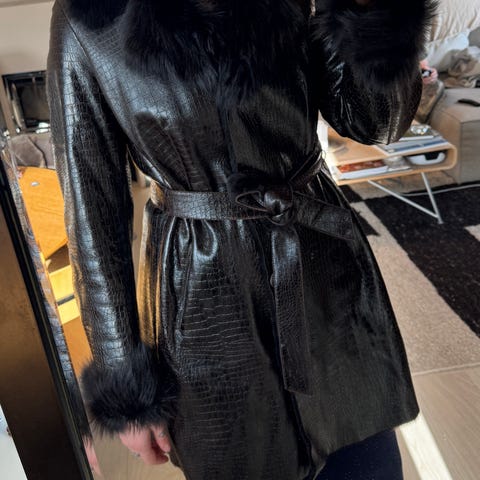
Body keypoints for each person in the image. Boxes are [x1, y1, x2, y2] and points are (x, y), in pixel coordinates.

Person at [46, 0, 435, 478]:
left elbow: (378, 123)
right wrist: (125, 384)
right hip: (205, 311)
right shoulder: (89, 15)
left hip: (326, 289)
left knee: (366, 461)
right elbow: (93, 213)